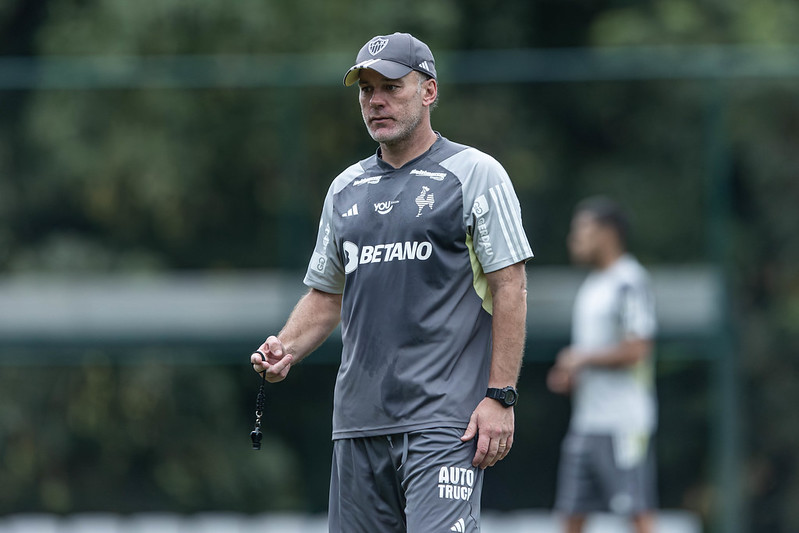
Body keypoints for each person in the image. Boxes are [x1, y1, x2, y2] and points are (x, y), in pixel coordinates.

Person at [250, 32, 533, 533]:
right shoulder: (344, 188)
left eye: (391, 87)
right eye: (365, 89)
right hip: (357, 425)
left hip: (445, 424)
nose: (375, 101)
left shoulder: (475, 173)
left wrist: (501, 396)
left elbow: (511, 287)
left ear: (428, 92)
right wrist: (286, 346)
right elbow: (326, 295)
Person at [547, 196, 658, 533]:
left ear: (608, 233)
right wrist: (571, 373)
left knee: (637, 513)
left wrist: (581, 358)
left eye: (582, 229)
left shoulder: (629, 280)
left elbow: (638, 348)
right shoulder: (593, 286)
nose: (574, 238)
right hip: (586, 422)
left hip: (623, 424)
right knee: (570, 515)